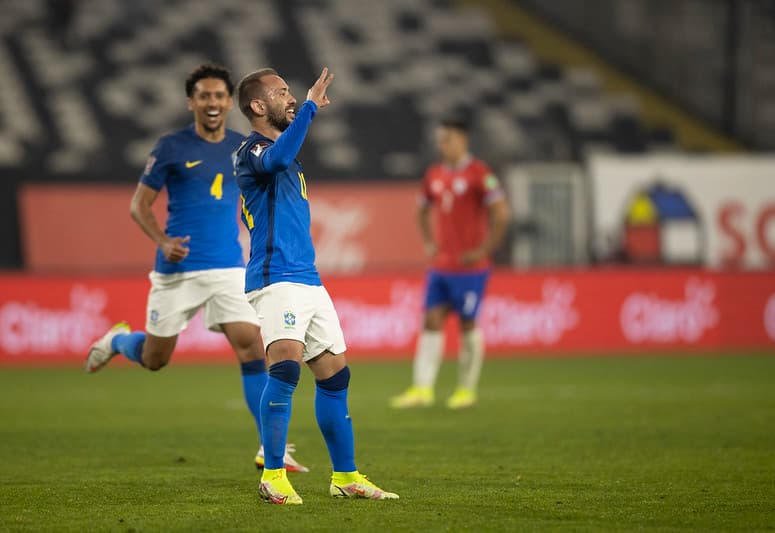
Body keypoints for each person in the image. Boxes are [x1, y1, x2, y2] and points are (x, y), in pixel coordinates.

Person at [84, 63, 307, 473]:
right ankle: (118, 341)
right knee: (155, 359)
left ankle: (270, 447)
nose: (212, 102)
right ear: (192, 102)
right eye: (204, 95)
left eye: (219, 95)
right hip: (178, 269)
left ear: (228, 102)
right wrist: (163, 241)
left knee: (251, 348)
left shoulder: (246, 146)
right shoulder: (170, 147)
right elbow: (139, 206)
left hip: (227, 266)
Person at [234, 66, 398, 505]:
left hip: (307, 279)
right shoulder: (250, 151)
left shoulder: (285, 151)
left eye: (291, 92)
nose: (289, 98)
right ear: (256, 105)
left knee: (334, 374)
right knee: (285, 368)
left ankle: (345, 476)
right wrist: (309, 106)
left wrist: (305, 110)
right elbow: (279, 159)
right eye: (281, 92)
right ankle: (272, 475)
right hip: (275, 278)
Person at [390, 117, 510, 410]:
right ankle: (422, 388)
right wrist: (429, 242)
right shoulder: (434, 175)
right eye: (440, 140)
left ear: (463, 140)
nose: (442, 145)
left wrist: (485, 249)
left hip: (471, 268)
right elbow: (422, 210)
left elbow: (501, 214)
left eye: (448, 139)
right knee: (431, 320)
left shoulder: (480, 174)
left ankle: (466, 390)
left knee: (468, 323)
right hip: (441, 266)